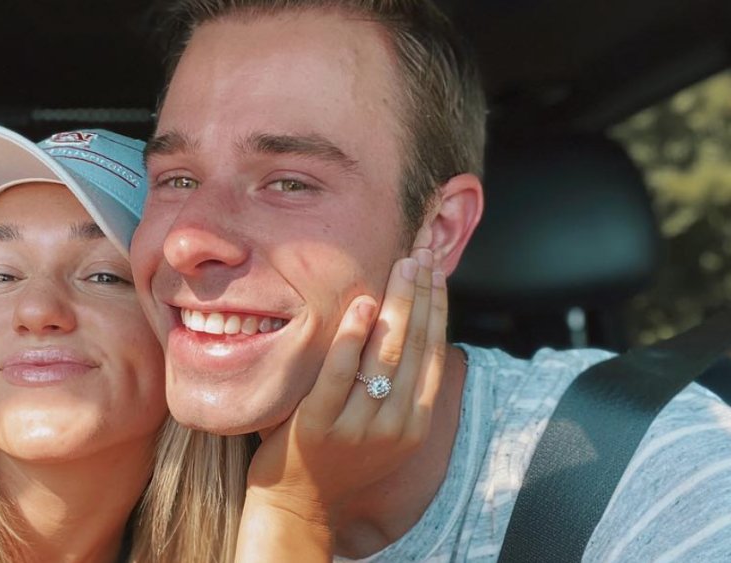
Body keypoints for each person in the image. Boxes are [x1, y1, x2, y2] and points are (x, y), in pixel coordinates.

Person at [130, 1, 731, 561]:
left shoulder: (654, 474)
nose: (187, 242)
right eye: (177, 179)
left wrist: (291, 506)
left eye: (289, 182)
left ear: (438, 231)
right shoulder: (110, 470)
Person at [0, 119, 444, 562]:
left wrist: (294, 514)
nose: (37, 308)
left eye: (103, 273)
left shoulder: (274, 519)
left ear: (194, 333)